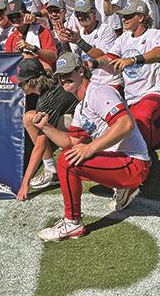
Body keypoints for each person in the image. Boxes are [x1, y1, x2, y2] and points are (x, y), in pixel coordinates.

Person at [33, 53, 150, 241]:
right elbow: (70, 142)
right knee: (70, 155)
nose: (63, 79)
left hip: (134, 163)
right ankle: (125, 188)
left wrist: (90, 148)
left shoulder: (99, 91)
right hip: (120, 162)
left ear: (81, 71)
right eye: (60, 76)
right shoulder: (81, 107)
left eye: (68, 73)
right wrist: (46, 127)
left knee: (67, 162)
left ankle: (72, 224)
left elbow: (125, 124)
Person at [89, 0, 160, 147]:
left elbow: (159, 54)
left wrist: (132, 60)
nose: (124, 19)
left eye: (129, 16)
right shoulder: (123, 38)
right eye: (124, 16)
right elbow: (109, 57)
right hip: (132, 99)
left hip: (153, 93)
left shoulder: (155, 35)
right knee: (127, 133)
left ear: (141, 17)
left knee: (142, 133)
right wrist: (93, 63)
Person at [12, 58, 79, 200]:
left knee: (60, 123)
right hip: (79, 117)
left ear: (32, 81)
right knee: (30, 117)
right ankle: (51, 170)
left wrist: (25, 182)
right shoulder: (50, 84)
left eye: (22, 81)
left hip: (89, 126)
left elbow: (40, 146)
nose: (19, 85)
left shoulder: (48, 100)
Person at [58, 0, 124, 93]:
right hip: (92, 85)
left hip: (110, 83)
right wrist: (65, 43)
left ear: (93, 12)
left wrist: (79, 42)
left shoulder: (105, 30)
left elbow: (107, 58)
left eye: (84, 13)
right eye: (77, 14)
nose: (80, 17)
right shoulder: (78, 33)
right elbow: (74, 63)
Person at [4, 0, 57, 71]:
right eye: (11, 17)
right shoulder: (11, 39)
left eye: (17, 15)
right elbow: (8, 63)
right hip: (22, 77)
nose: (14, 19)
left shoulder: (41, 31)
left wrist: (32, 48)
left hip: (42, 76)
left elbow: (53, 57)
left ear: (25, 14)